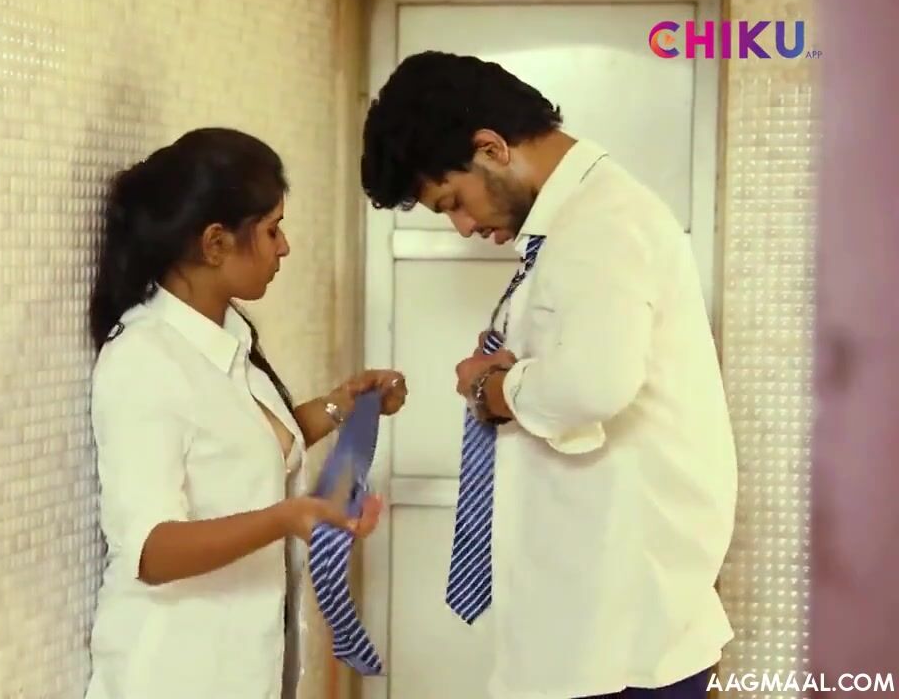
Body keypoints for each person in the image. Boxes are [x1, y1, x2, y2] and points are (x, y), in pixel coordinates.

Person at [359, 51, 738, 699]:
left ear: (491, 148)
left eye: (453, 202)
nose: (463, 227)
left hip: (624, 628)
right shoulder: (573, 225)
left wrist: (492, 390)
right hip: (594, 615)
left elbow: (593, 383)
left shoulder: (600, 224)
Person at [84, 127, 408, 699]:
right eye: (272, 229)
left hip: (242, 666)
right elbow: (150, 550)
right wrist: (287, 517)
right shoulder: (144, 359)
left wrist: (343, 405)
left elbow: (248, 451)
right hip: (173, 675)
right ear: (215, 243)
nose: (285, 247)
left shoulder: (226, 338)